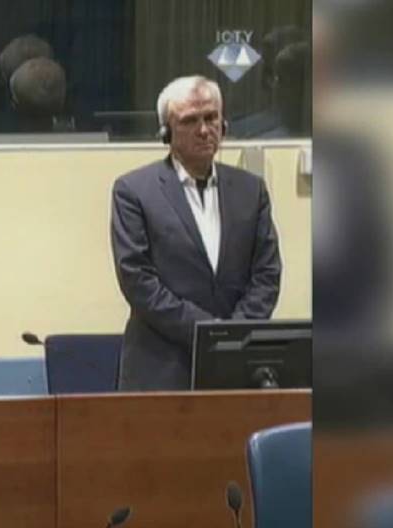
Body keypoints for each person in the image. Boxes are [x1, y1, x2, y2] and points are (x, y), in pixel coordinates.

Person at [110, 75, 281, 391]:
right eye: (190, 121)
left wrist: (234, 337)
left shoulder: (251, 190)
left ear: (223, 124)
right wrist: (208, 334)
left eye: (211, 118)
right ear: (166, 133)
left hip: (237, 366)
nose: (204, 130)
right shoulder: (133, 191)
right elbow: (137, 279)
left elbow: (267, 274)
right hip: (161, 369)